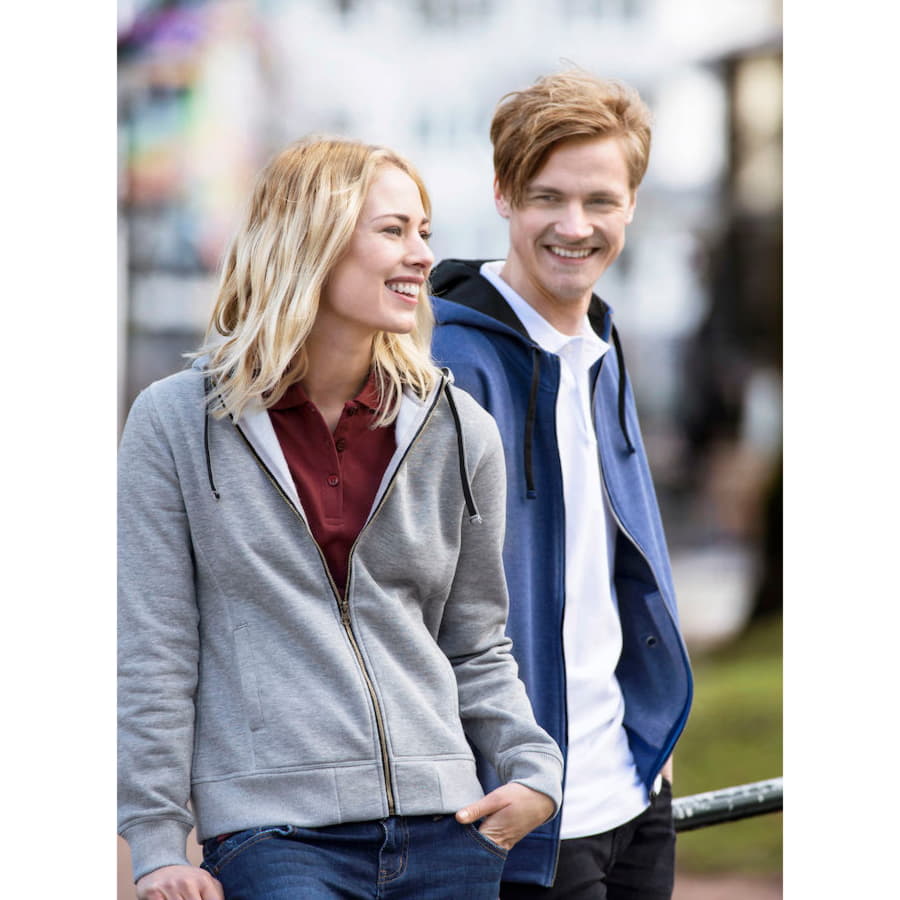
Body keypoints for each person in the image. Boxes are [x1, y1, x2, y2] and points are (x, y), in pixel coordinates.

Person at [118, 136, 564, 900]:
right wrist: (158, 844)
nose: (422, 255)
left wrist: (534, 771)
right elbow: (155, 652)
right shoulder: (175, 424)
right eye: (393, 230)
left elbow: (477, 641)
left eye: (424, 231)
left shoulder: (458, 429)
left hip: (445, 827)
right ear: (310, 242)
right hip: (276, 834)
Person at [430, 71, 694, 899]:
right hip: (521, 813)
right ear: (504, 194)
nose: (575, 227)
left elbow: (621, 562)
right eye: (548, 197)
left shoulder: (604, 349)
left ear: (631, 205)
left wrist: (655, 720)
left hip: (633, 792)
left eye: (600, 201)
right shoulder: (447, 364)